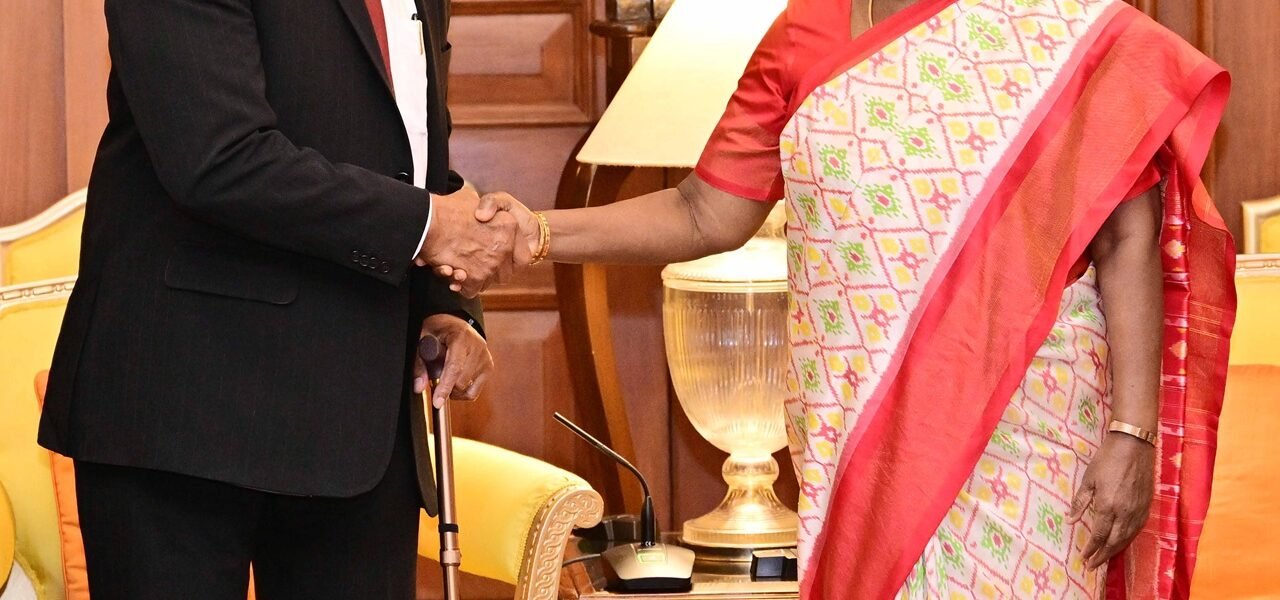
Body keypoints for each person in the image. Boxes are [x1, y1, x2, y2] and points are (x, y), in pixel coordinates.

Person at [455, 0, 1236, 597]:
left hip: (1028, 431)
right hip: (863, 437)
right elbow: (705, 210)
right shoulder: (805, 30)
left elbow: (1124, 238)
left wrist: (1131, 433)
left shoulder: (1053, 24)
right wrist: (537, 231)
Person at [37, 0, 517, 598]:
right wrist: (429, 228)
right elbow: (217, 157)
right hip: (185, 414)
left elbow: (410, 155)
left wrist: (443, 304)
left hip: (360, 425)